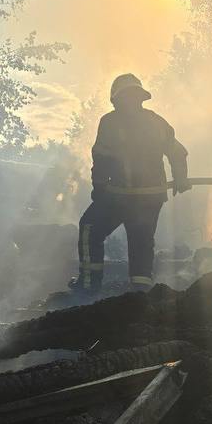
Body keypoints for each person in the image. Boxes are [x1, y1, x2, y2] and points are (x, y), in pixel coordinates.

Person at [75, 74, 190, 293]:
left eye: (132, 97)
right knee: (140, 241)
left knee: (93, 228)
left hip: (125, 196)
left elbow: (101, 159)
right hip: (140, 196)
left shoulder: (111, 122)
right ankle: (136, 293)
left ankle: (96, 288)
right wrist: (180, 177)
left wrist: (100, 190)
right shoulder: (153, 122)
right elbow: (178, 152)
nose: (130, 102)